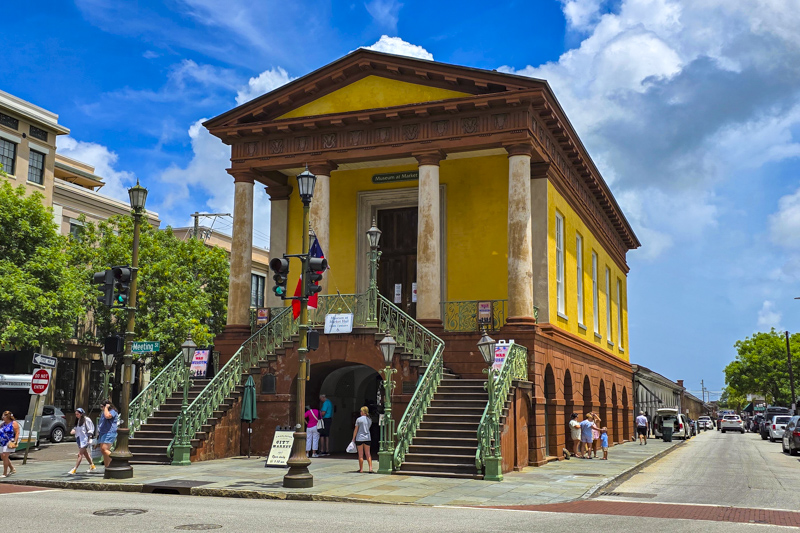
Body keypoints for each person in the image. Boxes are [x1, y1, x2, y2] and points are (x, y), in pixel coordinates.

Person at [69, 408, 96, 474]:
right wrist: (73, 431)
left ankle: (75, 469)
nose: (76, 415)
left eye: (78, 414)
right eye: (76, 414)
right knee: (85, 453)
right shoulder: (78, 420)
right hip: (79, 439)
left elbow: (91, 429)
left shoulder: (87, 420)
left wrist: (89, 437)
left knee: (80, 454)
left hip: (85, 440)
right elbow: (76, 428)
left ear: (81, 414)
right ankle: (92, 465)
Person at [351, 406, 373, 473]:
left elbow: (356, 430)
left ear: (363, 412)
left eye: (361, 411)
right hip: (367, 438)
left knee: (360, 454)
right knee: (368, 453)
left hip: (359, 438)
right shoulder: (369, 420)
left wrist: (353, 438)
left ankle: (361, 469)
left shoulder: (359, 419)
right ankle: (370, 468)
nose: (360, 412)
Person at [97, 400, 118, 467]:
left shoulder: (112, 411)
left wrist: (106, 408)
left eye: (102, 406)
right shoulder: (103, 413)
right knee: (103, 451)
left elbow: (107, 416)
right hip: (103, 432)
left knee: (104, 449)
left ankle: (117, 460)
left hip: (109, 432)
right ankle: (107, 467)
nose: (102, 408)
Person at [0, 411, 20, 478]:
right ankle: (12, 469)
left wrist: (15, 441)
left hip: (9, 442)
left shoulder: (14, 423)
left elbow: (17, 433)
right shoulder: (3, 424)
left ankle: (5, 473)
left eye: (4, 416)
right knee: (3, 457)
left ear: (7, 417)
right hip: (2, 441)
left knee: (4, 455)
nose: (2, 417)